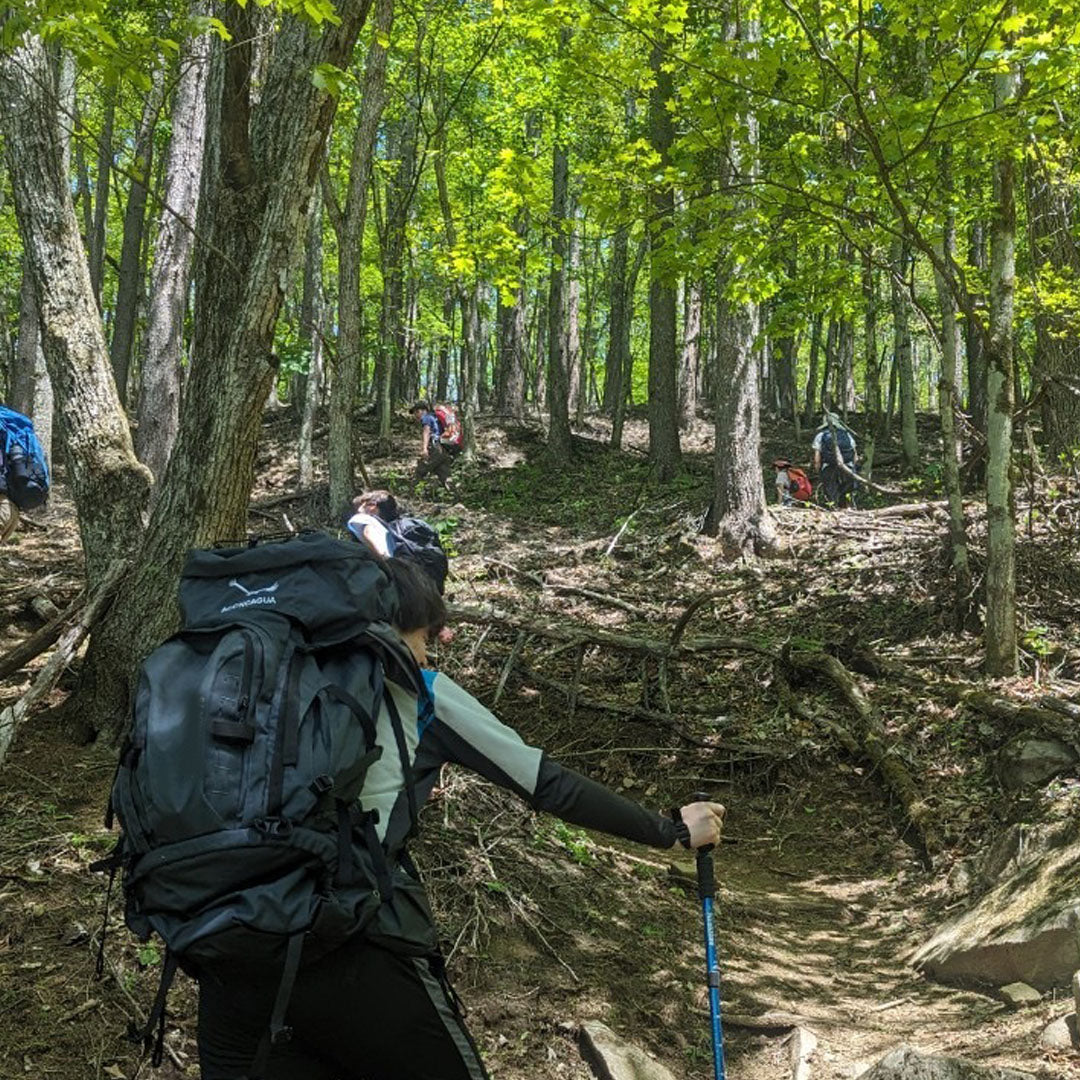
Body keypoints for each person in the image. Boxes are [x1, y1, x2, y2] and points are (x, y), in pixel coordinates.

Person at [195, 559, 726, 1079]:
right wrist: (672, 830)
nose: (429, 651)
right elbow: (545, 783)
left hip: (221, 943)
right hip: (347, 945)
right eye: (427, 634)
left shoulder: (251, 690)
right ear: (399, 629)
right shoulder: (419, 691)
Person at [811, 412, 859, 508]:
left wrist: (817, 469)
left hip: (829, 465)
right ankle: (848, 509)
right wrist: (853, 467)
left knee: (830, 491)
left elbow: (817, 457)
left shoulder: (820, 435)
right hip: (847, 466)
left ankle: (832, 509)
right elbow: (855, 456)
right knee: (847, 491)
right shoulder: (847, 435)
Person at [411, 400, 455, 491]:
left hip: (434, 448)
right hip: (443, 450)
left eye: (416, 412)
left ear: (423, 410)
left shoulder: (426, 418)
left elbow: (426, 432)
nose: (415, 415)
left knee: (420, 470)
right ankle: (454, 496)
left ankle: (411, 494)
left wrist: (424, 449)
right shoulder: (435, 418)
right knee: (445, 475)